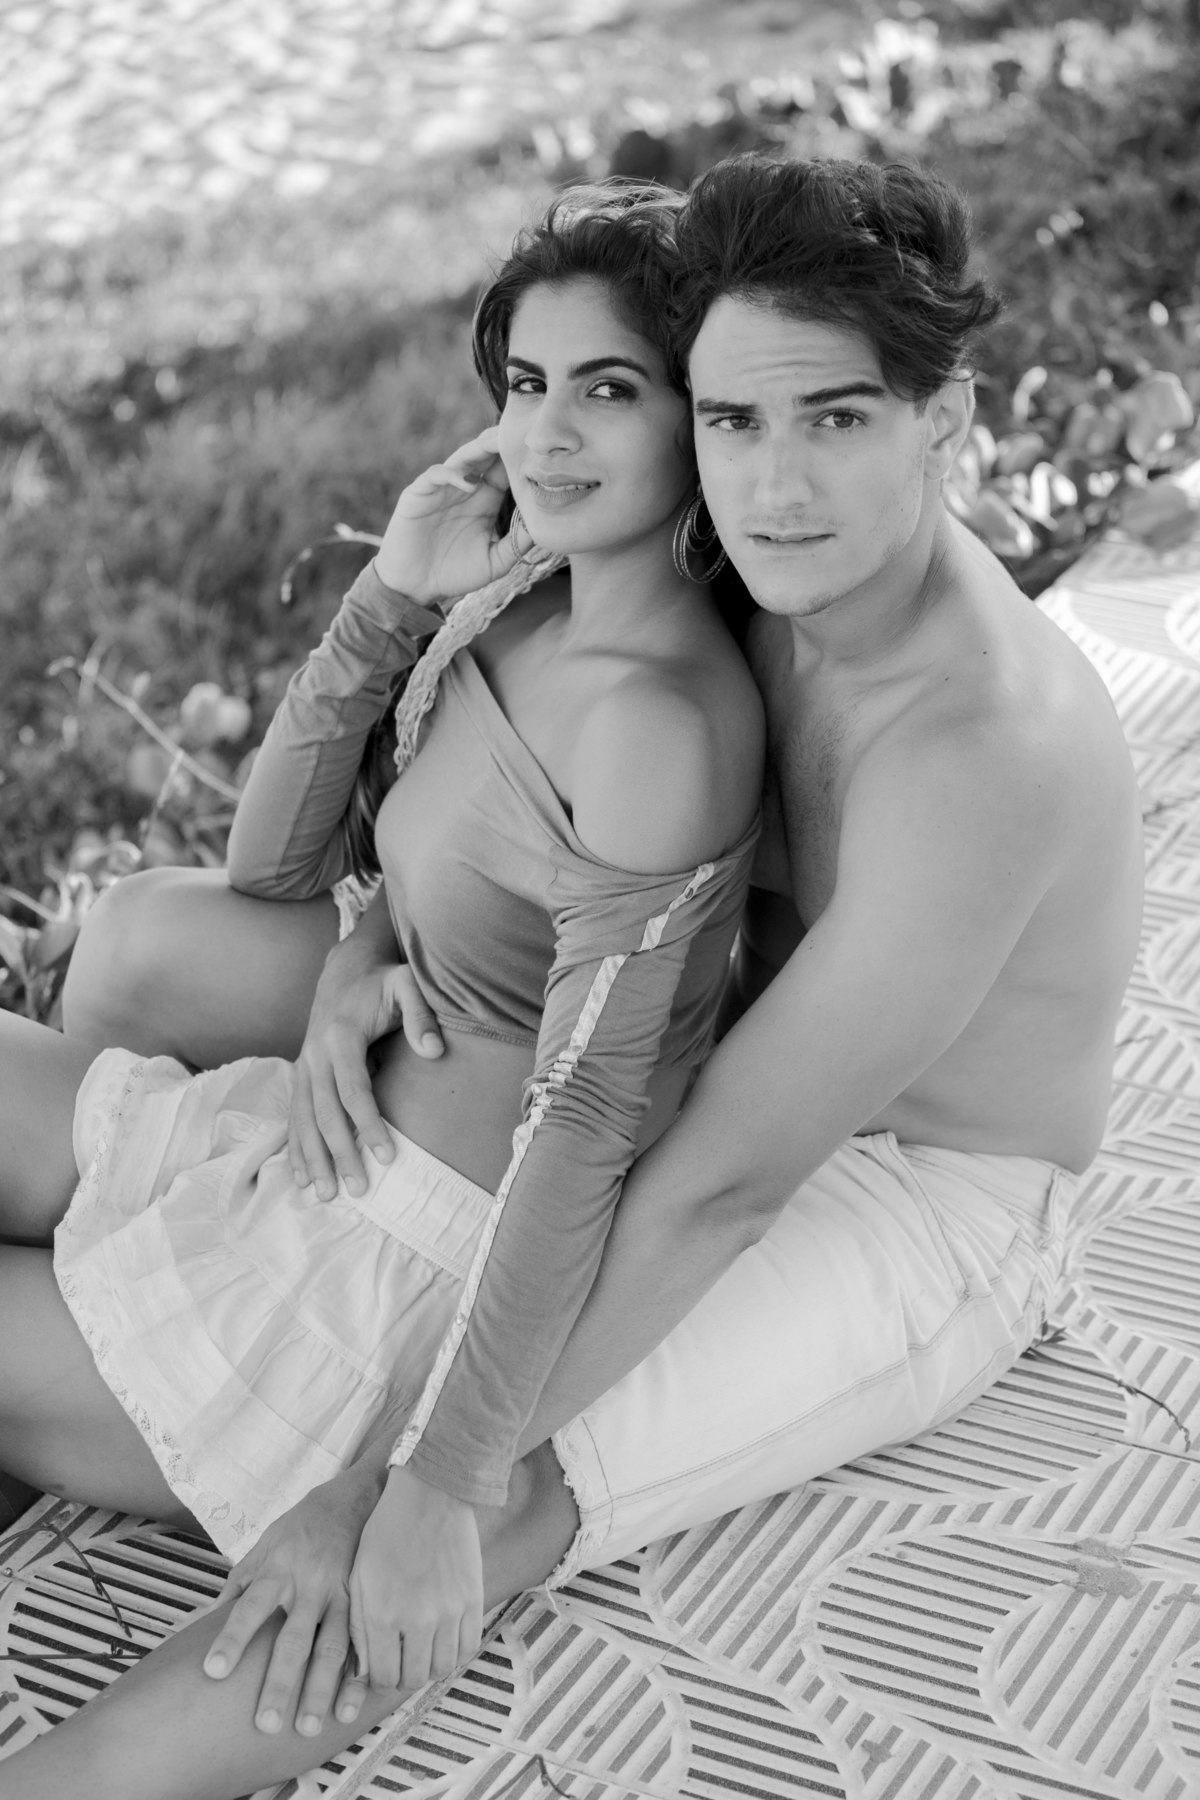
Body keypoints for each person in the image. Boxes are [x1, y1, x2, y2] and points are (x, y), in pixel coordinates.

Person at [15, 151, 1142, 1798]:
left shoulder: (980, 747)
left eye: (837, 417)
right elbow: (493, 835)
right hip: (705, 1042)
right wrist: (364, 949)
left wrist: (419, 1481)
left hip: (911, 1183)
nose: (775, 480)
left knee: (495, 1486)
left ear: (946, 419)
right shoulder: (755, 563)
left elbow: (719, 1181)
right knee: (156, 962)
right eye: (733, 419)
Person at [0, 184, 763, 1799]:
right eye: (526, 385)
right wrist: (396, 594)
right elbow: (279, 864)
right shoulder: (522, 601)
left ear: (700, 419)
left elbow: (588, 1133)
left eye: (609, 389)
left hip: (354, 1290)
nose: (548, 434)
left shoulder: (659, 720)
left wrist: (437, 1473)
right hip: (289, 1147)